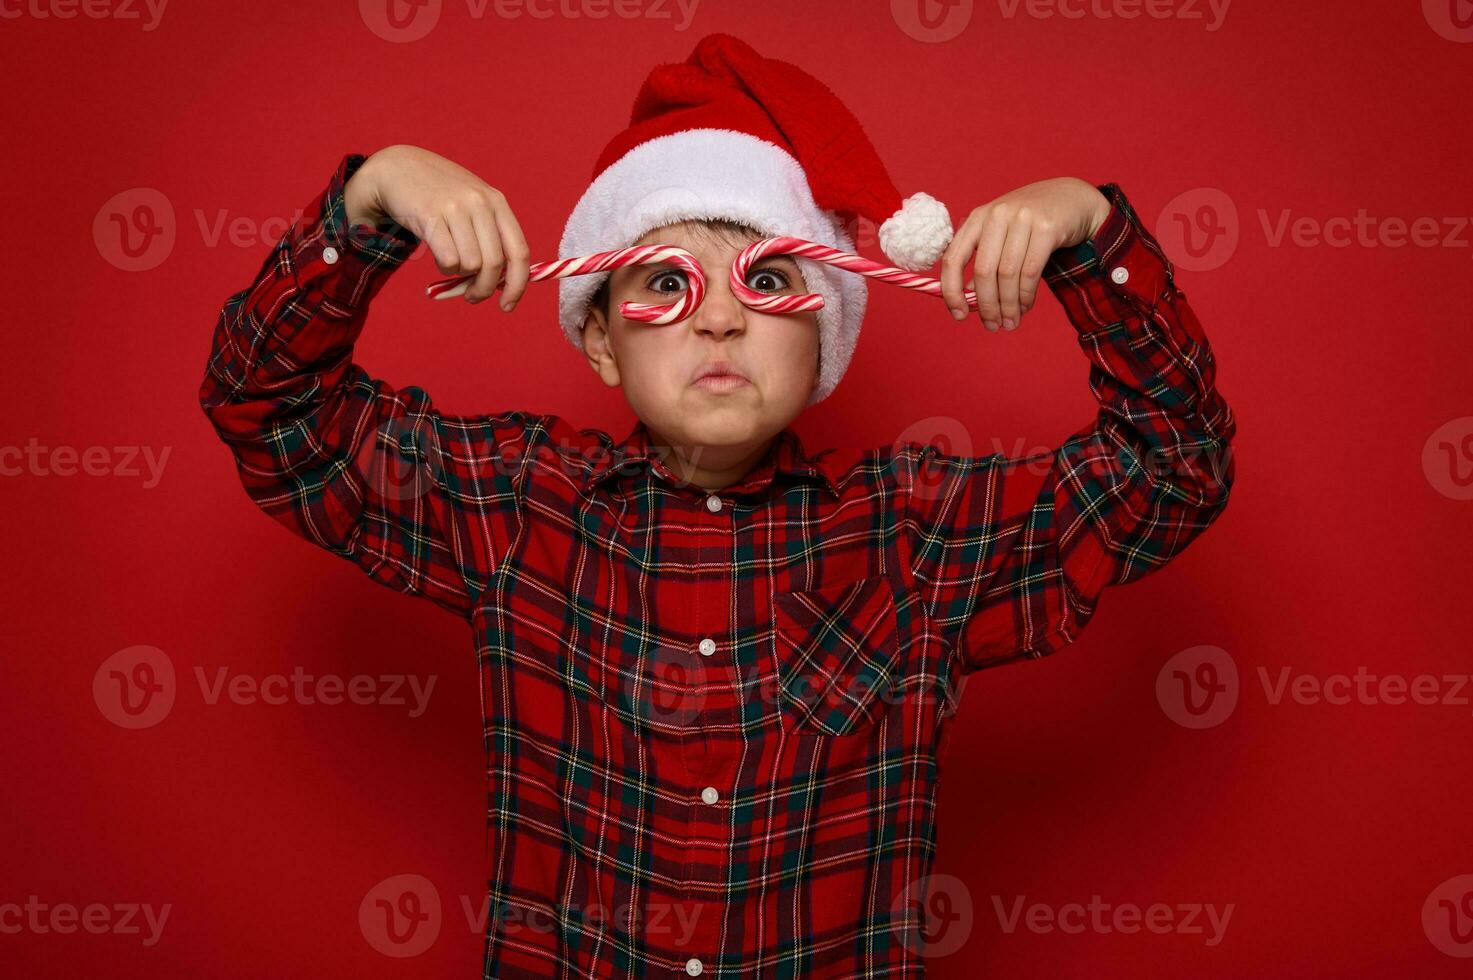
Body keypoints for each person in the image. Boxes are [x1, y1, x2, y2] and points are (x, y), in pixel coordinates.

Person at [199, 31, 1235, 979]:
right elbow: (269, 407)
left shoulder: (913, 540)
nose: (723, 320)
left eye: (769, 278)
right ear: (601, 337)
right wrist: (371, 202)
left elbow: (1174, 464)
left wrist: (1088, 231)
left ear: (823, 332)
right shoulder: (515, 508)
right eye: (665, 284)